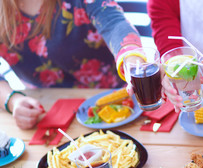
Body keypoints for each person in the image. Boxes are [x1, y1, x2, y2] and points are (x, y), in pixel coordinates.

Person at [0, 0, 142, 129]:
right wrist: (12, 100)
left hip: (115, 104)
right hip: (45, 113)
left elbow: (115, 24)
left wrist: (131, 57)